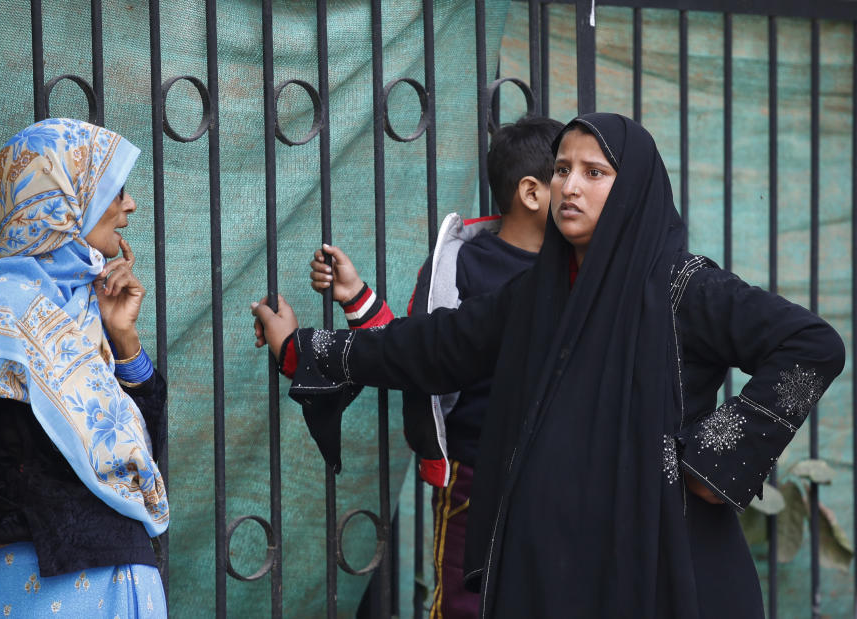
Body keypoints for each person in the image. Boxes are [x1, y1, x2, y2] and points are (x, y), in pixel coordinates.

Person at [252, 113, 845, 618]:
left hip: (657, 556)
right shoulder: (539, 296)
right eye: (563, 169)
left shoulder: (681, 288)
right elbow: (430, 347)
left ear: (632, 187)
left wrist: (713, 462)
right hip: (555, 570)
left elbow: (811, 345)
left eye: (594, 172)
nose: (570, 186)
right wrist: (302, 349)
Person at [0, 118, 168, 617]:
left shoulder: (86, 312)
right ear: (61, 202)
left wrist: (125, 340)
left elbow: (140, 461)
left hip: (129, 577)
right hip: (42, 587)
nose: (129, 206)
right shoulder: (3, 313)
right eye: (115, 190)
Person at [307, 115, 563, 618]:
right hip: (475, 475)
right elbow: (417, 353)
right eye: (568, 173)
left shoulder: (581, 269)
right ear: (532, 193)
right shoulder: (463, 267)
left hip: (560, 479)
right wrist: (356, 298)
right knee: (466, 605)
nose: (580, 188)